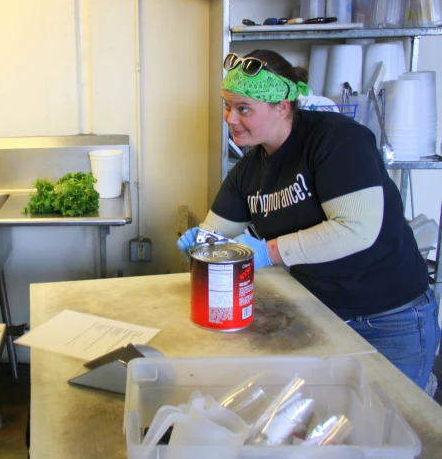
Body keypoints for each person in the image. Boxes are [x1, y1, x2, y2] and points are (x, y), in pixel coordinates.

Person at [178, 49, 440, 392]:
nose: (231, 119)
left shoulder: (336, 140)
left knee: (394, 428)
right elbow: (216, 235)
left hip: (390, 319)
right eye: (228, 106)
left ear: (282, 106)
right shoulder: (249, 171)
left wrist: (268, 252)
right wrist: (201, 247)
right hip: (321, 316)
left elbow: (355, 228)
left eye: (244, 109)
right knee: (328, 429)